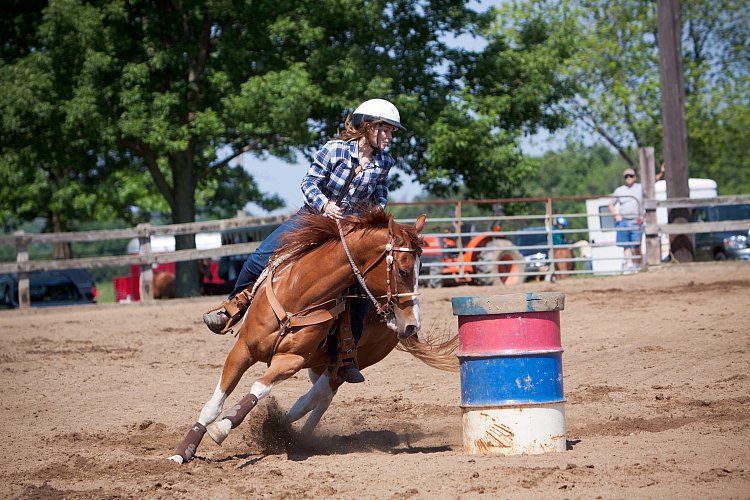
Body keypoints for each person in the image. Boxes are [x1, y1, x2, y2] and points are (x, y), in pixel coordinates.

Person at [203, 98, 405, 383]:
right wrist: (325, 205)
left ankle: (346, 355)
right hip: (313, 218)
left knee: (361, 289)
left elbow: (380, 194)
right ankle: (232, 307)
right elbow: (309, 182)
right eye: (385, 130)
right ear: (368, 127)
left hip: (348, 228)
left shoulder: (385, 162)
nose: (389, 137)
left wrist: (374, 214)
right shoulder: (333, 149)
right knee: (261, 256)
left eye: (392, 132)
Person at [608, 167, 643, 271]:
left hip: (635, 220)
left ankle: (638, 265)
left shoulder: (640, 187)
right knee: (625, 245)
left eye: (631, 176)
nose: (628, 178)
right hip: (623, 220)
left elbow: (653, 181)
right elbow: (610, 204)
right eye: (626, 176)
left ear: (635, 177)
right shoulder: (619, 190)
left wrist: (662, 173)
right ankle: (629, 265)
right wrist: (616, 215)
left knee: (636, 245)